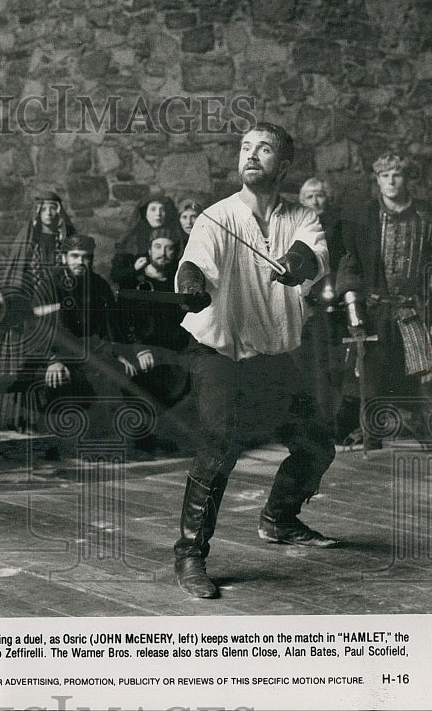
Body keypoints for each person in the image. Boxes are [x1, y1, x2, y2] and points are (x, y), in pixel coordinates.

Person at [172, 122, 338, 599]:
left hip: (272, 352)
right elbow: (195, 263)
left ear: (282, 165)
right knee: (221, 445)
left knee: (317, 443)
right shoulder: (216, 217)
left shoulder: (302, 217)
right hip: (219, 349)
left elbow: (313, 254)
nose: (251, 155)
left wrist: (299, 264)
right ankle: (189, 554)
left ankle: (280, 519)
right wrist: (190, 285)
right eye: (246, 148)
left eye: (263, 149)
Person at [336, 154, 432, 453]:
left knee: (429, 375)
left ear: (408, 179)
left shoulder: (426, 218)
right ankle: (372, 442)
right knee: (371, 379)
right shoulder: (364, 218)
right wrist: (354, 310)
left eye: (397, 175)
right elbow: (350, 265)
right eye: (384, 176)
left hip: (412, 311)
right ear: (377, 179)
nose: (391, 181)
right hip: (374, 312)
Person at [36, 235, 136, 453]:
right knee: (67, 381)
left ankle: (105, 441)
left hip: (91, 352)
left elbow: (110, 324)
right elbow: (35, 327)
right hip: (54, 355)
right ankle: (71, 442)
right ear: (64, 257)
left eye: (85, 257)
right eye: (74, 256)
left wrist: (117, 353)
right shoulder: (49, 284)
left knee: (114, 372)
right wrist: (51, 360)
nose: (80, 262)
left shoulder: (98, 284)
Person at [0, 191, 76, 432]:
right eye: (45, 208)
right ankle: (22, 416)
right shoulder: (28, 239)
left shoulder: (68, 238)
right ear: (37, 211)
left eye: (54, 207)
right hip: (31, 307)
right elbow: (17, 274)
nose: (50, 212)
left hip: (59, 307)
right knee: (25, 359)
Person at [115, 227, 195, 456]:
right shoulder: (136, 283)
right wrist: (140, 349)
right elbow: (124, 322)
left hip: (173, 350)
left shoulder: (178, 282)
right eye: (158, 247)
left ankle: (170, 438)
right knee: (142, 381)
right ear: (149, 250)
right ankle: (142, 440)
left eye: (169, 248)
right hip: (141, 349)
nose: (163, 253)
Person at [292, 177, 350, 437]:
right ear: (301, 202)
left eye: (320, 195)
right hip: (303, 304)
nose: (315, 201)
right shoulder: (296, 228)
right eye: (309, 197)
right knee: (305, 365)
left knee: (331, 366)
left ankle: (333, 422)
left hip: (333, 303)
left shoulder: (339, 228)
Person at [110, 194, 180, 289]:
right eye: (153, 209)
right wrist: (135, 269)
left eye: (162, 209)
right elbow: (115, 275)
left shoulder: (174, 238)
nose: (158, 214)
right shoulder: (130, 240)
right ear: (144, 212)